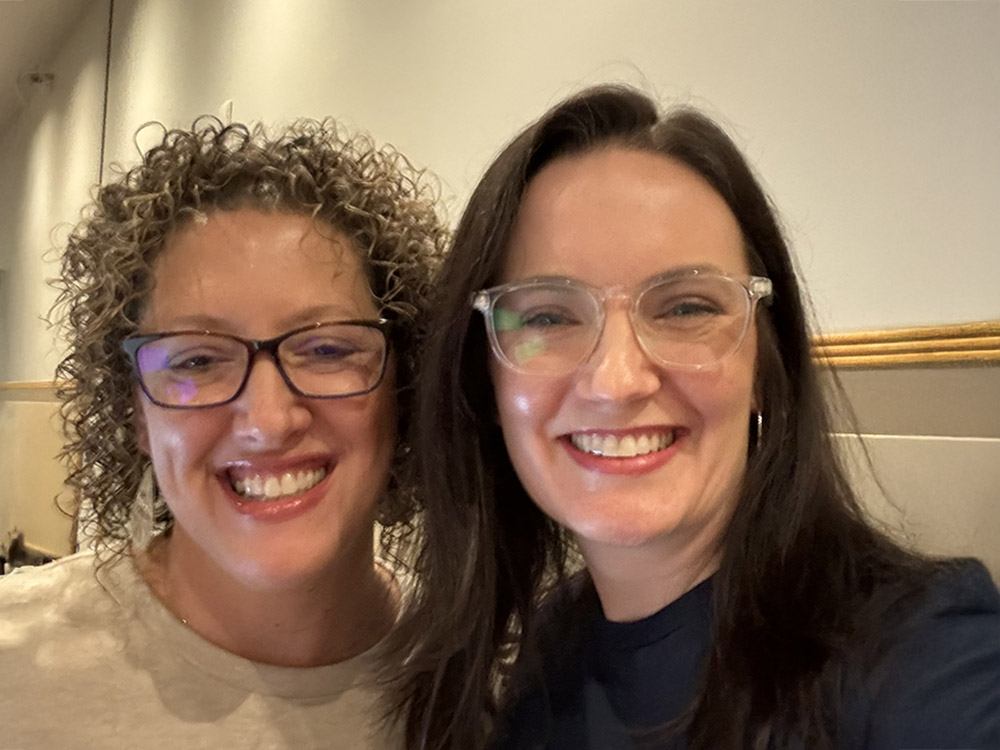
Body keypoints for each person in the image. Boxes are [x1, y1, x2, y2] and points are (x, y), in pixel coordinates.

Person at [386, 85, 1000, 750]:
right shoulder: (548, 648)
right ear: (485, 383)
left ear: (766, 366)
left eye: (686, 308)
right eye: (548, 316)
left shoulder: (920, 655)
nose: (617, 380)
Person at [0, 117, 445, 748]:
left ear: (407, 382)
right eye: (198, 361)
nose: (268, 421)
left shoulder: (499, 685)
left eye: (327, 350)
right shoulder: (16, 672)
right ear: (136, 412)